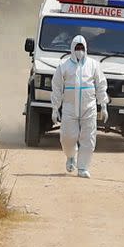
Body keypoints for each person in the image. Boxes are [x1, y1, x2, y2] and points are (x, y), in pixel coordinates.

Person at [51, 35, 109, 178]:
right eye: (77, 48)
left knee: (88, 138)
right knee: (67, 137)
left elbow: (101, 85)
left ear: (85, 49)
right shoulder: (63, 66)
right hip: (69, 107)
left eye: (81, 48)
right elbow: (57, 88)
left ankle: (83, 167)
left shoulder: (93, 65)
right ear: (72, 49)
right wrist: (55, 108)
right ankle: (71, 156)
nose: (79, 51)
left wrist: (103, 105)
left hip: (89, 107)